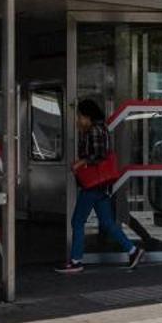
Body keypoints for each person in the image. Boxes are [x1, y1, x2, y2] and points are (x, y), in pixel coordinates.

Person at [62, 98, 136, 274]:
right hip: (101, 185)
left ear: (87, 116)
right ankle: (133, 251)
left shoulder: (95, 130)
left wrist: (81, 163)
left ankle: (76, 261)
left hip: (93, 185)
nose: (78, 120)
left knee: (77, 221)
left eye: (80, 116)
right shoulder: (99, 128)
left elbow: (99, 156)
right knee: (107, 222)